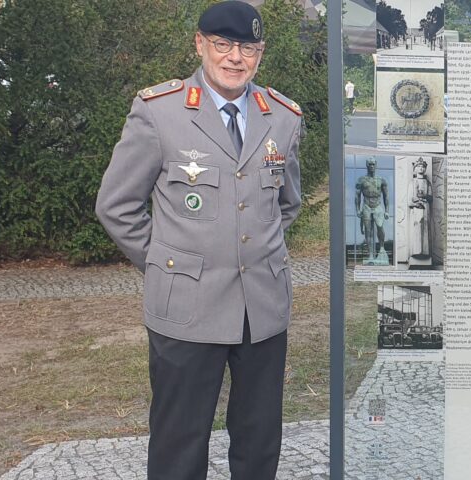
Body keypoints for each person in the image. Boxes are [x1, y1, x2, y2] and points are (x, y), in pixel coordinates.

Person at [94, 2, 303, 478]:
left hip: (262, 309)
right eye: (223, 45)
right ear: (200, 44)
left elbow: (285, 203)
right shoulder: (160, 112)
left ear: (260, 53)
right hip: (185, 308)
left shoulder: (283, 117)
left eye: (248, 48)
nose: (235, 58)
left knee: (259, 438)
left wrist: (253, 249)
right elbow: (117, 206)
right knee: (179, 442)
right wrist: (167, 263)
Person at [355, 157, 390, 264]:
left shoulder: (381, 180)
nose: (371, 166)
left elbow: (386, 196)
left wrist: (387, 210)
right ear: (367, 165)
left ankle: (382, 248)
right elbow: (357, 196)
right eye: (370, 164)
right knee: (368, 231)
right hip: (366, 206)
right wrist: (357, 210)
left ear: (376, 165)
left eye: (373, 164)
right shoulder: (361, 180)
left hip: (378, 206)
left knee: (380, 227)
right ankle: (370, 254)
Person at [407, 158, 431, 259]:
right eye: (419, 166)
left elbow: (430, 196)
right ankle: (416, 250)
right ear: (415, 169)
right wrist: (416, 203)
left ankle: (425, 251)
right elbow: (409, 201)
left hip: (425, 207)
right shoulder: (412, 183)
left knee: (426, 227)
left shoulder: (427, 183)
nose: (421, 168)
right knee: (417, 227)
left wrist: (424, 197)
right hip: (416, 209)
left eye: (423, 166)